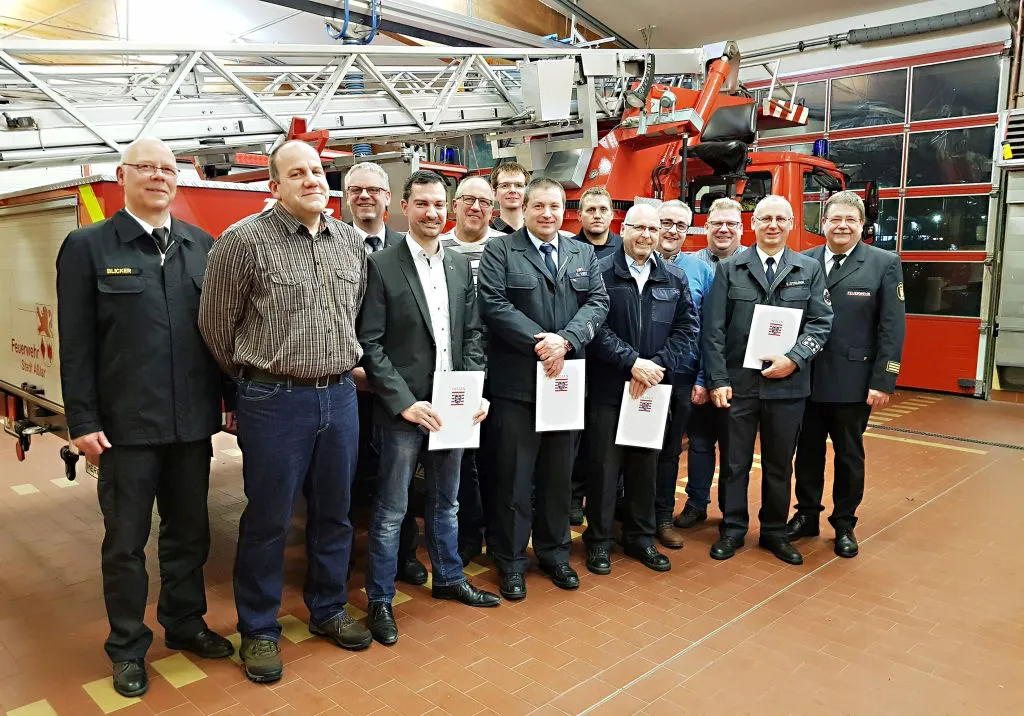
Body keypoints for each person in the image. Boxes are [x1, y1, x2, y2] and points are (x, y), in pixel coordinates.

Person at [56, 137, 233, 698]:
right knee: (126, 544)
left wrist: (229, 403)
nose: (158, 176)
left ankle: (184, 623)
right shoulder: (87, 246)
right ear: (124, 175)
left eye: (167, 168)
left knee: (189, 535)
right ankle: (128, 646)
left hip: (189, 426)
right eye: (146, 168)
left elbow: (217, 336)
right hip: (124, 431)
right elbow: (76, 342)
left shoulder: (199, 245)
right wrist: (81, 420)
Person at [199, 139, 372, 684]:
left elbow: (356, 313)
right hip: (274, 401)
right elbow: (215, 327)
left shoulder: (350, 243)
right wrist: (257, 380)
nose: (312, 180)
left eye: (318, 171)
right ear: (274, 186)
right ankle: (258, 629)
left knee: (335, 513)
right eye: (297, 173)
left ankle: (327, 609)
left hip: (340, 395)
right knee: (269, 519)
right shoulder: (243, 242)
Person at [358, 170, 500, 646]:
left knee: (447, 501)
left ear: (450, 207)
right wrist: (404, 403)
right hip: (405, 412)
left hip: (453, 405)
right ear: (403, 206)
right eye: (423, 204)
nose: (433, 213)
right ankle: (379, 599)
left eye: (440, 204)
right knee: (392, 510)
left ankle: (449, 576)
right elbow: (370, 344)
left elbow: (474, 335)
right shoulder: (381, 265)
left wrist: (475, 390)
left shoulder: (458, 265)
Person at [478, 177, 609, 600]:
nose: (547, 214)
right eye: (539, 207)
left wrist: (566, 340)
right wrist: (543, 342)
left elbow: (598, 302)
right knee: (513, 477)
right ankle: (511, 560)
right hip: (517, 386)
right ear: (526, 208)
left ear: (563, 209)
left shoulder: (581, 252)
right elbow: (494, 305)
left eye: (555, 206)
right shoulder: (501, 249)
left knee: (558, 477)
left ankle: (555, 554)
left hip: (564, 383)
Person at [702, 195, 833, 565]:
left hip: (787, 386)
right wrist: (717, 379)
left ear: (791, 223)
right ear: (753, 224)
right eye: (765, 219)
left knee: (779, 464)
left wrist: (794, 359)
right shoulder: (731, 268)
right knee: (734, 462)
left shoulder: (808, 269)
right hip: (739, 385)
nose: (772, 225)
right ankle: (732, 528)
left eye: (780, 218)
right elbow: (713, 330)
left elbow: (821, 323)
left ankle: (774, 531)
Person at [789, 191, 906, 558]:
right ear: (823, 223)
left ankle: (844, 523)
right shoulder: (803, 261)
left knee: (848, 455)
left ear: (862, 225)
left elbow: (892, 327)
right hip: (805, 377)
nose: (841, 226)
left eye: (850, 220)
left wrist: (884, 379)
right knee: (806, 453)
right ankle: (806, 515)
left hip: (853, 381)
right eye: (835, 219)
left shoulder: (883, 263)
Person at [583, 204, 698, 574]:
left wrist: (656, 367)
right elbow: (593, 328)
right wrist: (631, 362)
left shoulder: (673, 278)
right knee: (603, 467)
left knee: (644, 467)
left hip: (651, 389)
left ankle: (639, 537)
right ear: (624, 228)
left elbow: (687, 328)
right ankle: (598, 541)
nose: (646, 235)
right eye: (639, 228)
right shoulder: (600, 273)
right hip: (608, 387)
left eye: (654, 228)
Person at [345, 160, 426, 587]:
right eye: (356, 190)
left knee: (402, 478)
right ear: (346, 197)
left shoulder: (405, 247)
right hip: (349, 385)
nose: (365, 197)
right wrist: (352, 368)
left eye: (374, 190)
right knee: (349, 475)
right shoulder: (334, 245)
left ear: (389, 199)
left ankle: (404, 554)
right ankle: (344, 560)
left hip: (397, 387)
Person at [439, 176, 504, 565]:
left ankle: (497, 533)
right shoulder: (439, 246)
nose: (475, 207)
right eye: (468, 199)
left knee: (498, 455)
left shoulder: (506, 247)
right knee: (461, 458)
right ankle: (466, 535)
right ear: (455, 205)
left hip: (502, 367)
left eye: (483, 201)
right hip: (458, 369)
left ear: (492, 209)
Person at [674, 197, 747, 530]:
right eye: (717, 223)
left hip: (739, 372)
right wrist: (702, 377)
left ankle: (731, 513)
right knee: (700, 441)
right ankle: (696, 502)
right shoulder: (688, 265)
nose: (723, 229)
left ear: (742, 228)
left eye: (731, 223)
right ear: (706, 228)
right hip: (699, 371)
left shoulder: (753, 264)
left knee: (734, 448)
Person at [652, 200, 714, 549]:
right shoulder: (631, 264)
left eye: (680, 224)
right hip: (640, 375)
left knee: (670, 451)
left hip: (683, 375)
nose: (672, 230)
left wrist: (704, 378)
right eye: (665, 222)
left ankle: (662, 517)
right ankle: (635, 515)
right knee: (635, 446)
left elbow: (708, 329)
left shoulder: (700, 270)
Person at [567, 186, 624, 524]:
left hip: (614, 359)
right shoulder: (570, 249)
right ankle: (575, 496)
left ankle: (610, 496)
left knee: (610, 437)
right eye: (591, 210)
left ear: (612, 214)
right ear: (580, 214)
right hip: (578, 358)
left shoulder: (625, 247)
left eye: (603, 209)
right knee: (578, 433)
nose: (598, 215)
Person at [489, 162, 530, 234]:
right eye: (505, 185)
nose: (512, 190)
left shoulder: (538, 232)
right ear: (494, 193)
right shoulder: (486, 236)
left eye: (519, 185)